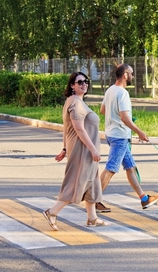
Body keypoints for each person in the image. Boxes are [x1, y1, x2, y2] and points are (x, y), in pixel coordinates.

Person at [43, 72, 110, 230]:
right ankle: (52, 212)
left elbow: (67, 130)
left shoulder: (75, 101)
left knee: (92, 182)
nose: (84, 84)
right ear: (72, 85)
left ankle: (92, 218)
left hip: (83, 149)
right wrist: (93, 149)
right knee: (76, 182)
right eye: (80, 82)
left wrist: (65, 148)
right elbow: (78, 129)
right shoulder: (75, 103)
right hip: (83, 150)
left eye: (86, 81)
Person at [97, 63, 157, 212]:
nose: (132, 76)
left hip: (112, 134)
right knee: (110, 169)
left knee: (130, 168)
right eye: (131, 73)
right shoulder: (123, 93)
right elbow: (124, 118)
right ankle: (95, 200)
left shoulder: (110, 90)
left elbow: (103, 110)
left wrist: (116, 117)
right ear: (124, 75)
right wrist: (139, 132)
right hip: (120, 137)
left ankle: (144, 199)